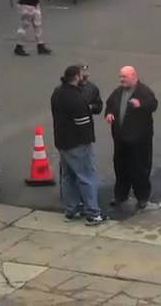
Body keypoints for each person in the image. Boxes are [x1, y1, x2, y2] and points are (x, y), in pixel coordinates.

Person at [52, 65, 104, 225]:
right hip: (78, 144)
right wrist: (88, 140)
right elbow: (83, 124)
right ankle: (93, 213)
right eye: (82, 76)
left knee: (68, 177)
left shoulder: (58, 93)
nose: (85, 78)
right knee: (87, 176)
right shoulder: (76, 98)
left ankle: (71, 209)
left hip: (62, 142)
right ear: (76, 77)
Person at [104, 66, 159, 210]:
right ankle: (120, 195)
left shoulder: (144, 92)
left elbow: (153, 105)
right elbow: (109, 104)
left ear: (134, 76)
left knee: (139, 169)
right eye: (120, 77)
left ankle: (142, 197)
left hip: (139, 141)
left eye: (124, 77)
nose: (121, 80)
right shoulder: (118, 92)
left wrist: (140, 105)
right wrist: (109, 113)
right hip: (120, 139)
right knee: (120, 168)